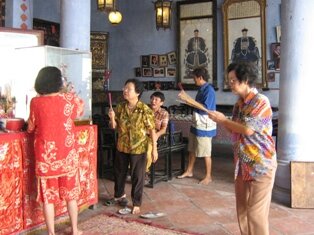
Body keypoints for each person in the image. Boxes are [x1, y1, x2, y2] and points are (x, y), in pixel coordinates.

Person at [207, 62, 277, 235]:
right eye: (229, 80)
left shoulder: (260, 101)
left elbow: (247, 130)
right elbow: (234, 128)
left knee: (255, 213)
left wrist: (223, 120)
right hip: (243, 164)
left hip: (261, 165)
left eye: (233, 80)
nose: (230, 83)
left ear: (245, 80)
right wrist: (220, 121)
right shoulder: (239, 105)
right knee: (243, 210)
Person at [27, 66, 84, 235]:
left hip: (46, 157)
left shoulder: (35, 102)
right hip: (67, 155)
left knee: (48, 198)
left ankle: (51, 233)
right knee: (71, 195)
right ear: (59, 82)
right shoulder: (69, 99)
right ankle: (74, 230)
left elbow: (31, 127)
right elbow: (79, 112)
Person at [108, 78, 158, 214]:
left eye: (128, 89)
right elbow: (114, 127)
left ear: (137, 93)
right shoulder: (120, 107)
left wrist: (154, 149)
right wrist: (112, 118)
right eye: (124, 88)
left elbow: (152, 130)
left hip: (139, 148)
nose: (125, 91)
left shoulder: (144, 110)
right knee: (119, 173)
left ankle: (136, 202)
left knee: (137, 176)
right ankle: (119, 195)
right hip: (122, 146)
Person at [177, 67, 216, 185]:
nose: (194, 80)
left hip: (205, 124)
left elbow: (205, 108)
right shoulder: (201, 89)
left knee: (205, 152)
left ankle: (208, 176)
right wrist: (187, 100)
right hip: (197, 122)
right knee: (192, 149)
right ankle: (189, 170)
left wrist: (187, 99)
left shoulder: (209, 90)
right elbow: (197, 105)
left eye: (194, 78)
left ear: (200, 78)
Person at [146, 91, 169, 173]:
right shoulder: (145, 109)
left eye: (156, 99)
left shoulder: (164, 113)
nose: (153, 101)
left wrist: (156, 135)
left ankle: (144, 172)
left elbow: (164, 129)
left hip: (154, 138)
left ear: (161, 103)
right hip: (141, 135)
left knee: (147, 153)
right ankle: (133, 170)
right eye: (152, 99)